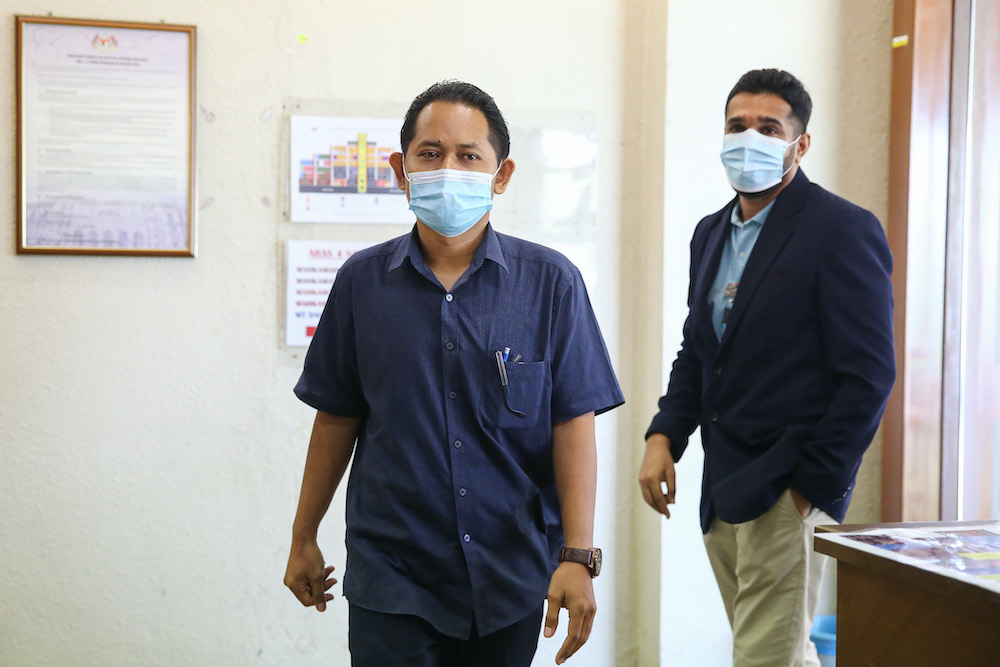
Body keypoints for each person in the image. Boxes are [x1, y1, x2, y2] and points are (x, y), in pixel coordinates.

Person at [284, 80, 624, 667]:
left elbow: (573, 422)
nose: (448, 168)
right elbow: (336, 416)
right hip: (394, 577)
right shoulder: (362, 284)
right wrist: (302, 535)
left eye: (470, 156)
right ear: (400, 168)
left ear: (502, 174)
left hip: (511, 575)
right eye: (430, 153)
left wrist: (578, 556)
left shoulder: (551, 284)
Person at [638, 69, 895, 666]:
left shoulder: (841, 229)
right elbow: (700, 352)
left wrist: (811, 488)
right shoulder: (710, 234)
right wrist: (663, 437)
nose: (748, 137)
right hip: (724, 482)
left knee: (764, 658)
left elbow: (869, 372)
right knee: (778, 652)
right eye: (737, 125)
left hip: (788, 484)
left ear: (799, 145)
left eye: (768, 127)